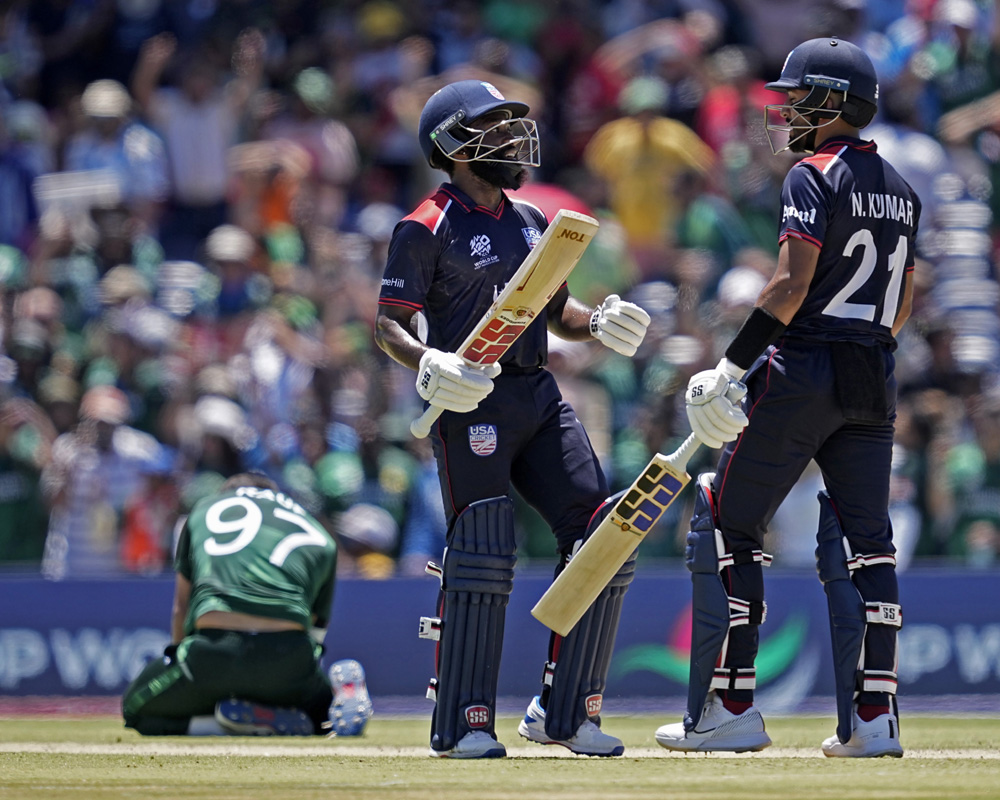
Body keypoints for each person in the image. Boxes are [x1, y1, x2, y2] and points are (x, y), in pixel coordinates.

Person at [655, 38, 920, 759]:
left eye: (801, 98)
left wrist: (732, 367)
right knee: (872, 543)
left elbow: (789, 284)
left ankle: (731, 706)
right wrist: (865, 340)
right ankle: (875, 720)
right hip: (874, 368)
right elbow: (905, 296)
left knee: (725, 522)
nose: (790, 111)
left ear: (833, 103)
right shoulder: (902, 187)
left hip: (804, 364)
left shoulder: (813, 173)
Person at [374, 80, 651, 759]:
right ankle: (463, 717)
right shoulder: (424, 225)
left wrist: (600, 321)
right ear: (454, 146)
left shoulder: (530, 221)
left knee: (600, 534)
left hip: (537, 393)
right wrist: (426, 361)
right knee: (482, 550)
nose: (511, 140)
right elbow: (389, 322)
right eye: (493, 130)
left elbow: (556, 312)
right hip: (471, 401)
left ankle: (564, 710)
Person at [122, 473, 372, 738]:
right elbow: (315, 636)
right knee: (324, 721)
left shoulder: (205, 510)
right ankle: (331, 699)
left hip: (213, 654)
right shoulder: (315, 529)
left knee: (136, 709)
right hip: (287, 659)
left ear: (227, 494)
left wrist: (181, 663)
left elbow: (180, 609)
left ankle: (221, 724)